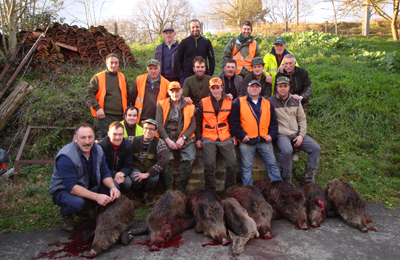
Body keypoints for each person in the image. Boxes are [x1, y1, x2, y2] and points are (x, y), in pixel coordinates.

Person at [49, 123, 121, 232]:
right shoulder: (66, 156)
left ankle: (93, 208)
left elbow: (105, 172)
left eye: (90, 137)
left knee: (115, 187)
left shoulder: (98, 150)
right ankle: (66, 213)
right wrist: (97, 197)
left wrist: (112, 187)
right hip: (64, 190)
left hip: (88, 185)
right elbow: (71, 187)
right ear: (75, 139)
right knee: (77, 203)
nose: (87, 142)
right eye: (83, 138)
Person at [268, 76, 321, 184]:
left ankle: (308, 178)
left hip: (296, 133)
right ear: (277, 88)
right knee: (287, 150)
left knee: (315, 148)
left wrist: (301, 135)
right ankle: (287, 179)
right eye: (280, 86)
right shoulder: (270, 102)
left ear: (289, 87)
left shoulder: (296, 101)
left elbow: (302, 119)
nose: (283, 89)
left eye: (285, 86)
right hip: (282, 134)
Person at [231, 80, 282, 185]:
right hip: (247, 140)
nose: (254, 89)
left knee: (272, 164)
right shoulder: (239, 102)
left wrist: (271, 135)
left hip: (264, 140)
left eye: (256, 87)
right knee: (246, 167)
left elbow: (274, 122)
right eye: (252, 87)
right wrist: (242, 135)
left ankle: (279, 187)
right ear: (248, 89)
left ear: (260, 89)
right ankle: (248, 190)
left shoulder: (267, 103)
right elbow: (234, 122)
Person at [195, 77, 237, 191]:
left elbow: (233, 121)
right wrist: (198, 138)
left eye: (217, 88)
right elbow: (198, 122)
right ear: (210, 89)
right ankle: (210, 191)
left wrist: (234, 135)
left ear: (222, 88)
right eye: (213, 88)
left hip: (225, 136)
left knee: (232, 164)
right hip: (208, 137)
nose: (215, 91)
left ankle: (230, 189)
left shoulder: (229, 102)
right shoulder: (203, 102)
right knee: (209, 165)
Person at [155, 81, 196, 192]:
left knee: (190, 158)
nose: (175, 94)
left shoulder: (189, 105)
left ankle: (180, 189)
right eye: (172, 91)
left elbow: (193, 125)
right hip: (166, 135)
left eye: (177, 91)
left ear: (181, 91)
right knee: (165, 159)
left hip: (184, 136)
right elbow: (158, 124)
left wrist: (183, 138)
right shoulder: (161, 104)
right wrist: (167, 140)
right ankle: (169, 188)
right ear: (168, 92)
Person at [86, 53, 129, 138]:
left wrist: (127, 112)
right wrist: (97, 108)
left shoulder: (122, 77)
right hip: (104, 117)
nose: (114, 65)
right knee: (104, 141)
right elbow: (89, 94)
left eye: (116, 63)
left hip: (120, 116)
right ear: (106, 63)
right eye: (111, 62)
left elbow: (128, 95)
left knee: (119, 140)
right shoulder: (98, 77)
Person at [129, 119, 169, 203]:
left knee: (153, 179)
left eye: (151, 129)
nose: (148, 131)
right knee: (135, 178)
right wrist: (98, 141)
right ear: (143, 129)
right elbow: (117, 138)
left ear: (155, 131)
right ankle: (136, 191)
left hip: (150, 169)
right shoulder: (133, 140)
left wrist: (148, 174)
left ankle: (146, 191)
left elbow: (164, 160)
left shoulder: (159, 142)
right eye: (146, 128)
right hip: (136, 168)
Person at [176, 19, 215, 86]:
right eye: (193, 27)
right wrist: (181, 75)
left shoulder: (206, 42)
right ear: (189, 29)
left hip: (203, 75)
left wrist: (209, 74)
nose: (195, 29)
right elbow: (179, 59)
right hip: (187, 76)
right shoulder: (184, 42)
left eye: (197, 27)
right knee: (186, 96)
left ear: (200, 28)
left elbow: (211, 59)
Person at [131, 59, 170, 123]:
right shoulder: (139, 80)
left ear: (159, 69)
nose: (153, 71)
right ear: (147, 69)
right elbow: (133, 99)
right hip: (140, 118)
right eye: (150, 68)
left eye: (155, 68)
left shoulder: (167, 84)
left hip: (157, 120)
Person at [98, 122, 133, 193]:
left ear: (123, 134)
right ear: (109, 134)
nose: (117, 137)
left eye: (120, 134)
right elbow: (99, 166)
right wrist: (114, 174)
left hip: (120, 174)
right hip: (105, 174)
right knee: (114, 185)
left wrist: (121, 174)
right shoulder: (101, 146)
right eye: (114, 134)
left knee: (128, 183)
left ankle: (123, 195)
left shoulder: (128, 146)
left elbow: (128, 165)